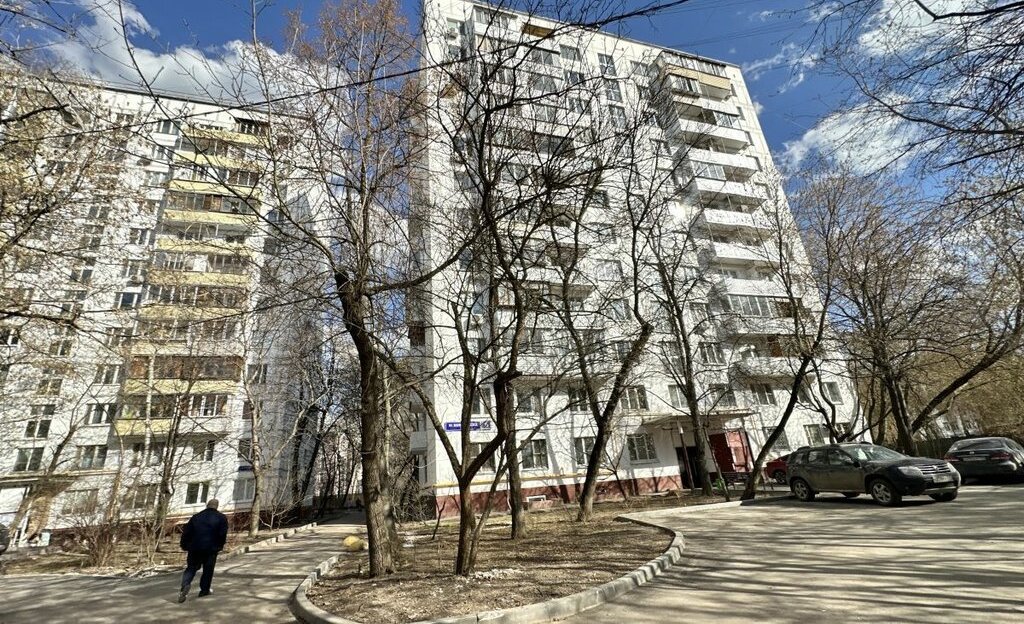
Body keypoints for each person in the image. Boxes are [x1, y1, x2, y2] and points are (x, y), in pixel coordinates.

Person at [177, 499, 229, 603]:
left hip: (195, 547)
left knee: (191, 568)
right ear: (217, 506)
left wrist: (184, 545)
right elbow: (222, 534)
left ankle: (185, 585)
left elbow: (187, 532)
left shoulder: (196, 517)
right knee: (208, 570)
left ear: (207, 505)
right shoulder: (221, 518)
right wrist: (220, 546)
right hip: (211, 548)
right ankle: (204, 590)